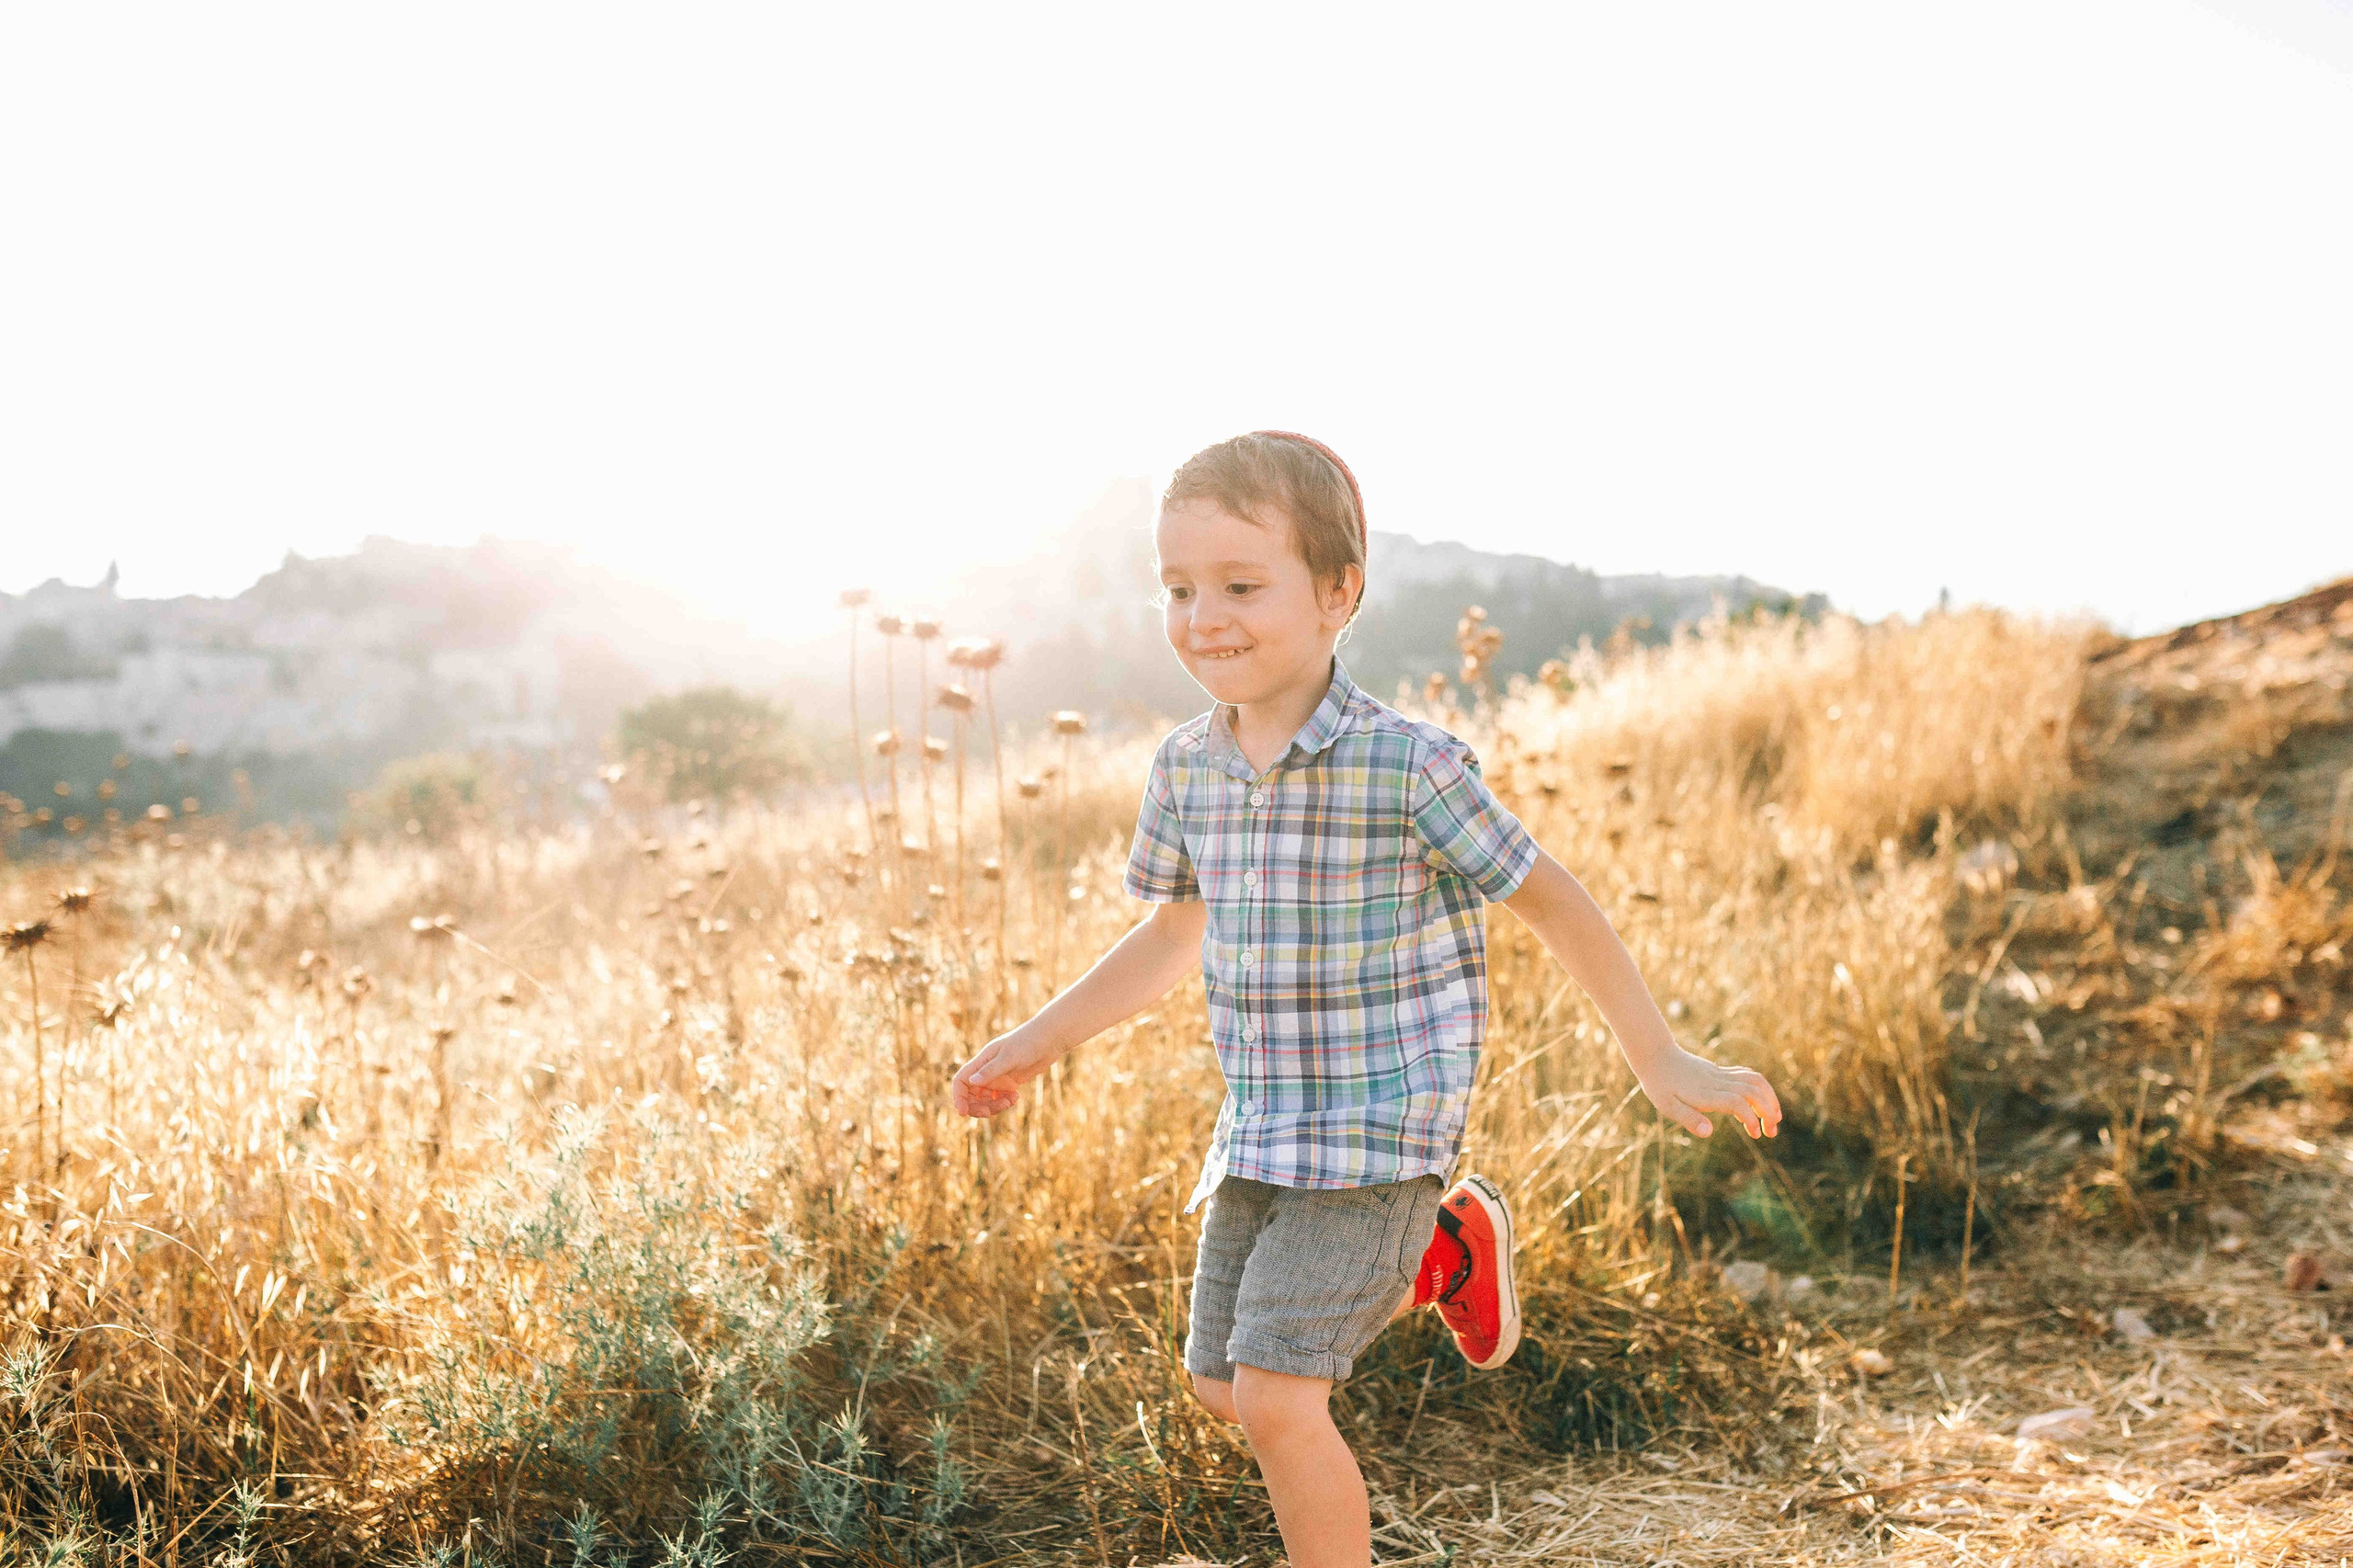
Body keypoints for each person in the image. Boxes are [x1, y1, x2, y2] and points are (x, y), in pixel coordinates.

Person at [949, 431, 1782, 1568]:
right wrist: (1035, 1039)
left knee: (1281, 1398)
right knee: (1217, 1383)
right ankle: (1442, 1259)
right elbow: (1168, 934)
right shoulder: (1186, 769)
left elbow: (1553, 900)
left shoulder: (1409, 764)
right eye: (1179, 588)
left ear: (1340, 591)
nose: (1206, 616)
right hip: (1262, 1133)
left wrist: (1659, 1056)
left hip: (1384, 1129)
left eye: (1242, 585)